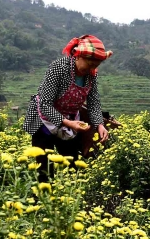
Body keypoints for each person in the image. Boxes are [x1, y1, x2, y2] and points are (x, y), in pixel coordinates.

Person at [23, 35, 112, 180]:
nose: (92, 69)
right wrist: (68, 123)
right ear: (78, 56)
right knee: (44, 170)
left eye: (95, 66)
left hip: (70, 119)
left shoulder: (91, 75)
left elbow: (93, 101)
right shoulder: (59, 68)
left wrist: (100, 124)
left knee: (73, 165)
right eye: (90, 64)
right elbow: (44, 104)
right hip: (43, 120)